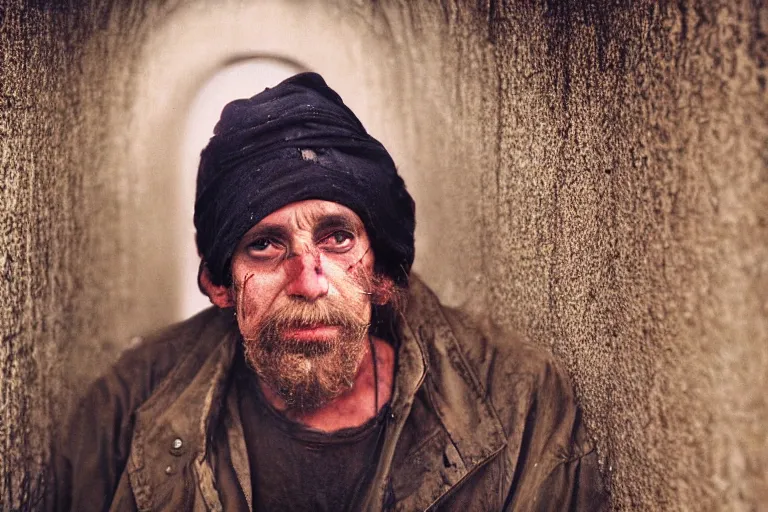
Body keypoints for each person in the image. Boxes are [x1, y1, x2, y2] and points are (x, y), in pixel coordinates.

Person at [50, 72, 607, 511]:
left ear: (383, 274)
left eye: (337, 238)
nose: (308, 281)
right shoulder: (123, 412)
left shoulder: (519, 404)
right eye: (265, 246)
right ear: (219, 285)